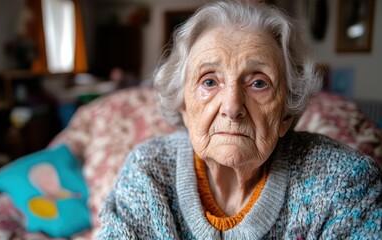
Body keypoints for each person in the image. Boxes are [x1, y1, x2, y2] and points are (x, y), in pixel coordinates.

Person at [96, 0, 382, 239]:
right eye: (209, 82)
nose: (232, 107)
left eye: (259, 83)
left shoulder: (342, 182)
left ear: (285, 114)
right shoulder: (147, 174)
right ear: (183, 106)